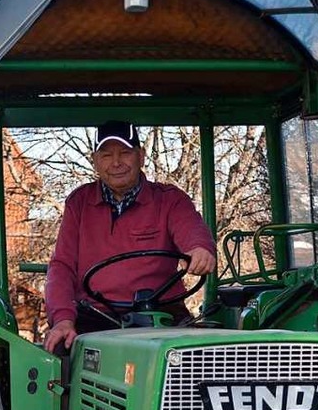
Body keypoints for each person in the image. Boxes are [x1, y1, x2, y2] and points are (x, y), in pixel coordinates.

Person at [44, 121, 216, 353]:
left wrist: (199, 249)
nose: (116, 163)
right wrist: (63, 318)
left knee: (200, 355)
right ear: (95, 160)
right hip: (97, 316)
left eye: (125, 153)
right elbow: (62, 266)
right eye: (106, 155)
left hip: (161, 314)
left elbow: (191, 229)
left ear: (141, 156)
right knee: (62, 349)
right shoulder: (80, 203)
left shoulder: (169, 200)